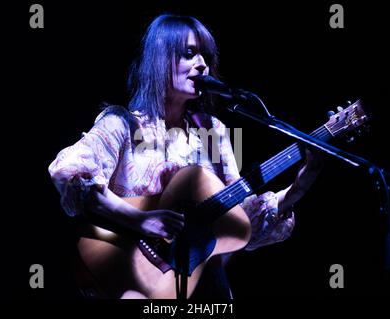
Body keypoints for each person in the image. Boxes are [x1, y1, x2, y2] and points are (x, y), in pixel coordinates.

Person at [49, 14, 322, 299]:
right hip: (132, 276)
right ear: (160, 59)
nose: (202, 64)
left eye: (205, 55)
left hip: (201, 286)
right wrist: (140, 220)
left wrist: (297, 189)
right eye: (190, 54)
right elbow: (68, 172)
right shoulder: (122, 124)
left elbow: (240, 220)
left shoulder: (214, 131)